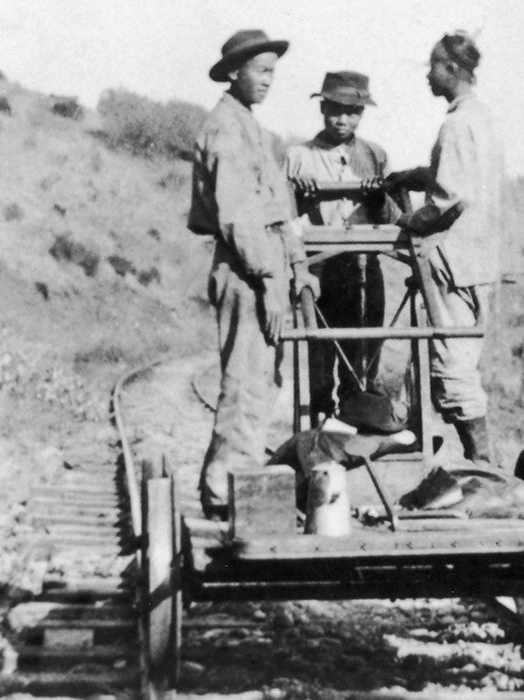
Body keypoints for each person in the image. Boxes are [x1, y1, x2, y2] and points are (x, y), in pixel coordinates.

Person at [188, 29, 317, 519]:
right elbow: (239, 217)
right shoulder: (225, 129)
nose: (267, 81)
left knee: (262, 382)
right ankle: (225, 491)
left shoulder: (254, 131)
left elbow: (280, 209)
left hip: (265, 268)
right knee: (245, 381)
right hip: (246, 271)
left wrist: (298, 268)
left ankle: (232, 481)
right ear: (234, 72)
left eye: (272, 73)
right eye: (260, 71)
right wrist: (269, 283)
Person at [387, 31, 504, 465]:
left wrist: (408, 219)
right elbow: (456, 176)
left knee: (451, 366)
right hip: (478, 261)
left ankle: (485, 468)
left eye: (432, 66)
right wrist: (409, 177)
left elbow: (448, 198)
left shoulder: (455, 124)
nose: (427, 74)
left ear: (452, 70)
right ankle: (420, 442)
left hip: (453, 262)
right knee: (452, 356)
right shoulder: (481, 118)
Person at [285, 71, 401, 419]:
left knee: (363, 354)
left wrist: (378, 197)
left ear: (362, 114)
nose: (343, 119)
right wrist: (302, 198)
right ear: (323, 108)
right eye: (336, 109)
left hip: (364, 266)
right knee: (321, 353)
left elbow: (394, 216)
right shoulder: (298, 156)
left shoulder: (375, 155)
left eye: (352, 112)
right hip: (319, 267)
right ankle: (320, 425)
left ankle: (358, 425)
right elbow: (284, 217)